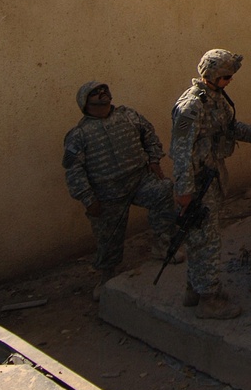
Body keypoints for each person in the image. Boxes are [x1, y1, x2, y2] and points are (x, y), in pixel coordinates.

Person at [170, 49, 251, 320]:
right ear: (212, 76)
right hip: (198, 183)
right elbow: (180, 150)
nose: (230, 81)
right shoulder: (191, 107)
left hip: (212, 176)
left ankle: (195, 290)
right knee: (206, 239)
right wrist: (184, 190)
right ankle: (208, 299)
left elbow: (228, 127)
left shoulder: (215, 99)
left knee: (201, 237)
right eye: (226, 76)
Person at [63, 81, 177, 299]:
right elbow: (73, 170)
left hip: (139, 180)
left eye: (103, 89)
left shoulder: (128, 116)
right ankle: (107, 276)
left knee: (163, 190)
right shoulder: (79, 135)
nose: (102, 93)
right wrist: (88, 199)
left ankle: (163, 246)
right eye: (95, 93)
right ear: (85, 103)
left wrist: (154, 160)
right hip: (107, 194)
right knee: (108, 238)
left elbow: (149, 134)